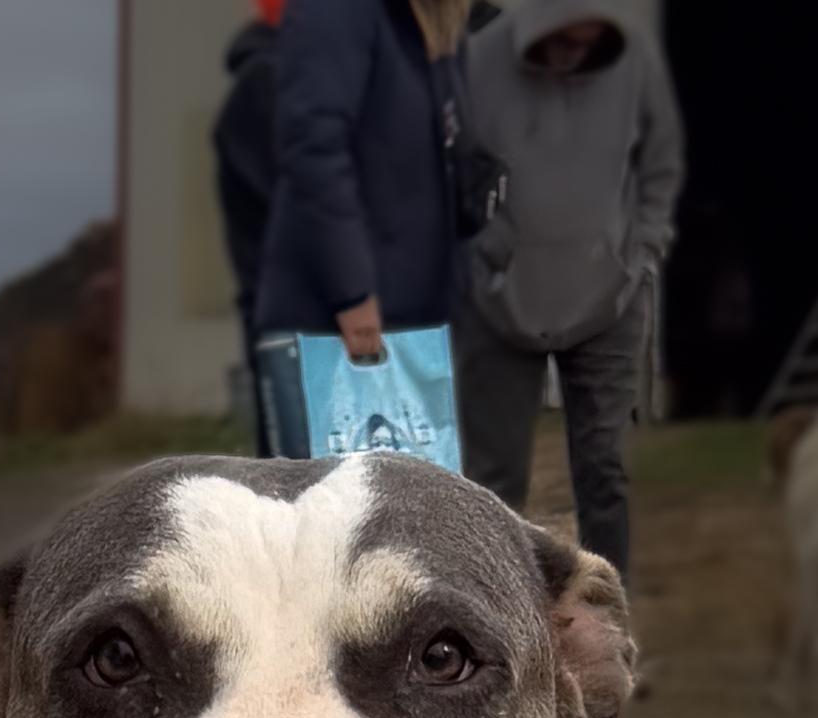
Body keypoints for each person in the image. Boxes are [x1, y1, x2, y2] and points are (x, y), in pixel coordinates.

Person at [453, 0, 684, 586]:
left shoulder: (636, 63)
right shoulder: (479, 58)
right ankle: (495, 611)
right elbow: (450, 168)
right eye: (558, 45)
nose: (570, 58)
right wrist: (482, 247)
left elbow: (661, 162)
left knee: (604, 467)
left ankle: (609, 613)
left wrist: (643, 250)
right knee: (491, 479)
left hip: (610, 297)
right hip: (500, 300)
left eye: (585, 47)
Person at [254, 0, 477, 377]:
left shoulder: (434, 21)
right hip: (339, 327)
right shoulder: (336, 11)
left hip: (416, 321)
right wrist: (352, 293)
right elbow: (314, 151)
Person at [214, 0, 285, 445]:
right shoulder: (268, 86)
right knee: (298, 472)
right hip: (291, 318)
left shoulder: (269, 81)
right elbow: (299, 205)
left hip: (283, 310)